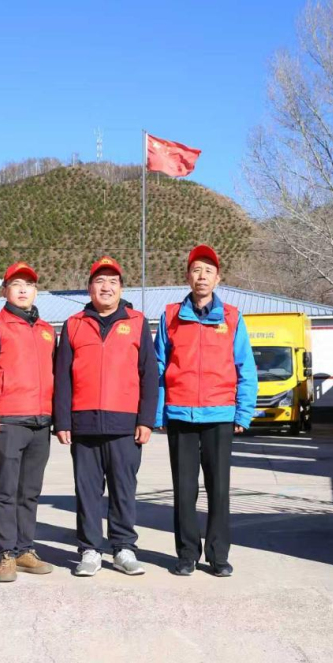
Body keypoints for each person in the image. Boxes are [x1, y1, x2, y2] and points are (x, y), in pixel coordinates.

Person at [154, 244, 258, 578]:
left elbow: (245, 367)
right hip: (180, 415)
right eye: (196, 270)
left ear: (217, 279)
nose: (202, 276)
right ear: (188, 276)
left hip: (219, 415)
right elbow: (158, 367)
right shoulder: (171, 316)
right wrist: (158, 414)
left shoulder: (232, 317)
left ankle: (218, 555)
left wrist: (243, 412)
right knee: (184, 490)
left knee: (219, 489)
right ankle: (186, 554)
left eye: (208, 271)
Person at [54, 256, 158, 577]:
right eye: (100, 281)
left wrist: (146, 419)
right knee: (87, 491)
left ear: (121, 288)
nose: (106, 287)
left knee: (123, 489)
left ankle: (123, 548)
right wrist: (63, 421)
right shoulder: (73, 324)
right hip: (84, 424)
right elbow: (62, 377)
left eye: (113, 281)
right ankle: (89, 550)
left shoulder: (137, 322)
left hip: (125, 424)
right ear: (89, 288)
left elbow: (149, 375)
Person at [0, 261, 57, 583]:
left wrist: (56, 417)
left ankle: (25, 549)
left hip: (40, 422)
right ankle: (6, 553)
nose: (23, 290)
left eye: (29, 285)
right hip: (7, 420)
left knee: (30, 491)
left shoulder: (47, 330)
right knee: (6, 490)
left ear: (36, 291)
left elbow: (55, 374)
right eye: (16, 284)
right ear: (5, 290)